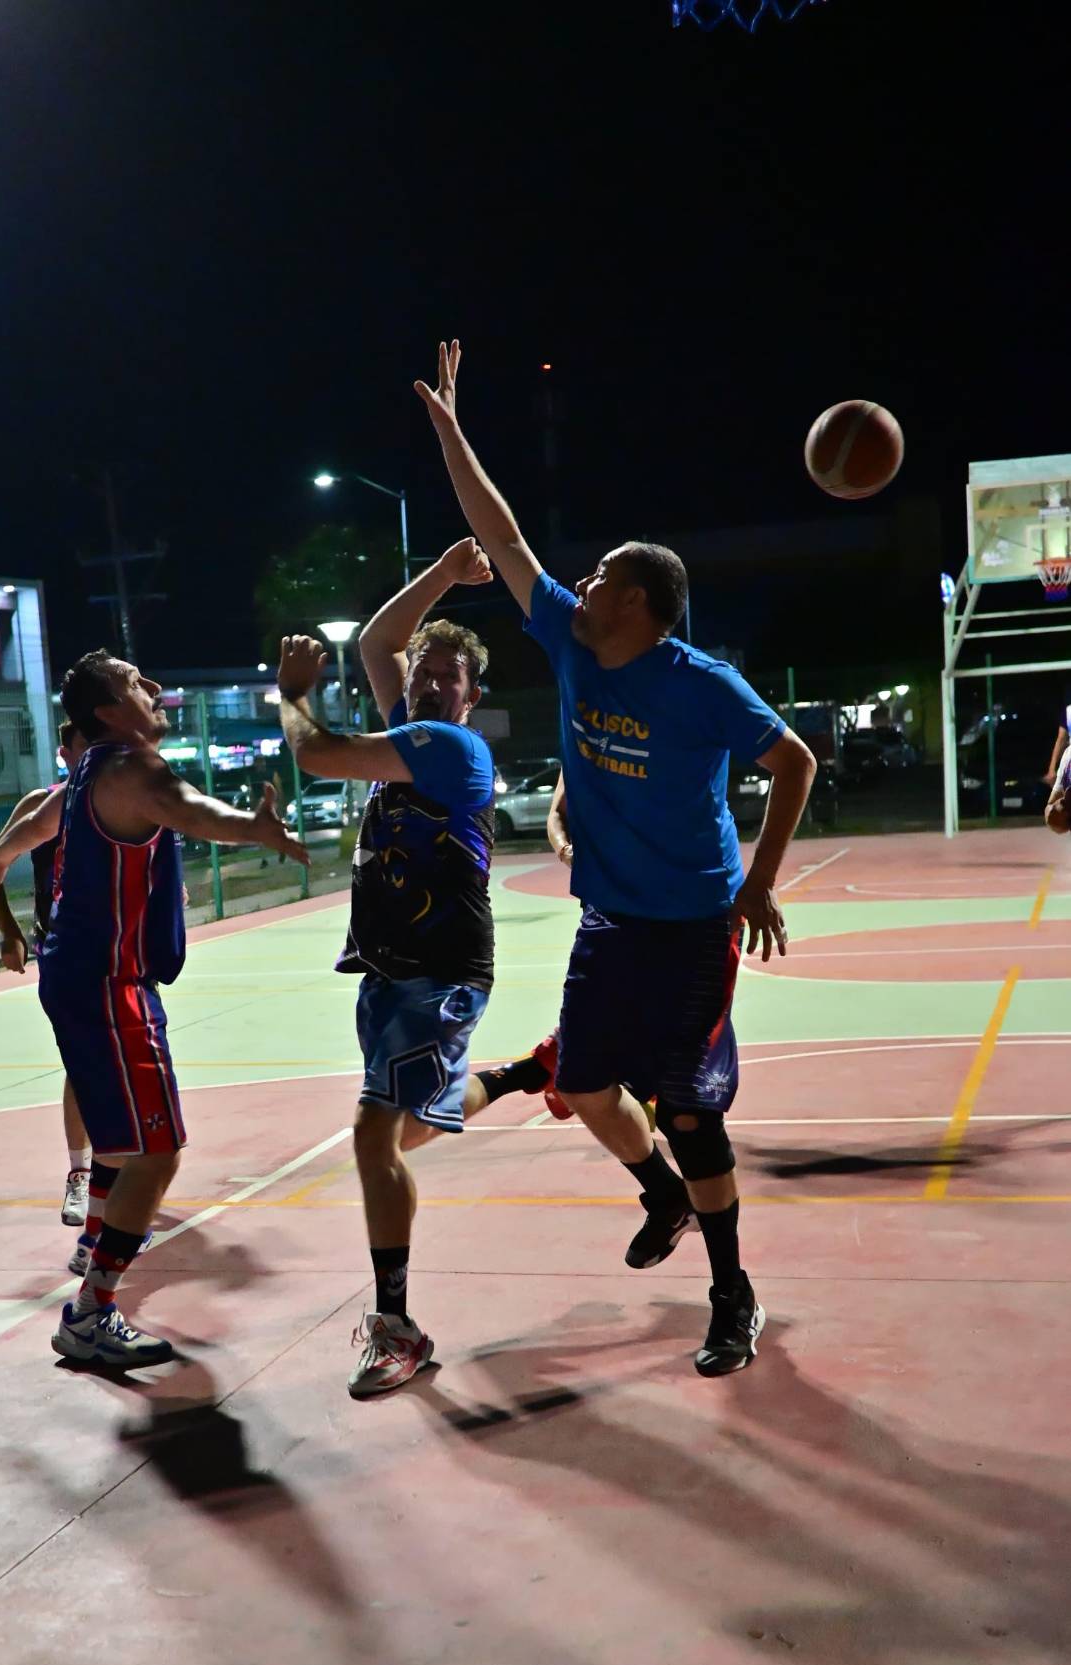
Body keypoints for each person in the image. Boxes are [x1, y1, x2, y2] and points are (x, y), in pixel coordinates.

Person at [417, 340, 816, 1376]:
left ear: (636, 602)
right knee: (588, 1089)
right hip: (610, 921)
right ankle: (663, 1194)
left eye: (599, 576)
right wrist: (452, 430)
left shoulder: (700, 683)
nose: (576, 581)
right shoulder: (567, 637)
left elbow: (795, 759)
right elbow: (500, 534)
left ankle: (732, 1295)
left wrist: (760, 881)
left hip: (692, 926)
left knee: (687, 1106)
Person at [0, 650, 307, 1369]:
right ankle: (91, 1310)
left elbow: (36, 824)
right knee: (159, 1151)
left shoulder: (88, 771)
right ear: (109, 713)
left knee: (123, 1142)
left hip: (81, 975)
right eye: (133, 682)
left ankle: (94, 1241)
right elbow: (196, 812)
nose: (152, 686)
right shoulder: (133, 768)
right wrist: (255, 827)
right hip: (106, 980)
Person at [277, 539, 561, 1399]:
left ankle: (396, 1327)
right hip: (389, 971)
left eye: (449, 679)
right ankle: (521, 1074)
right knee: (408, 1128)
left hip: (441, 971)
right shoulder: (408, 723)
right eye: (424, 673)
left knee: (373, 1135)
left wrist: (291, 694)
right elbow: (373, 646)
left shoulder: (449, 748)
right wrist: (441, 574)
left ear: (471, 701)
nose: (431, 685)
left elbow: (315, 753)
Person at [0, 721, 95, 1231]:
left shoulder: (127, 797)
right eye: (83, 748)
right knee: (81, 1062)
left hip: (122, 955)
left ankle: (122, 1174)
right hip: (65, 954)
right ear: (64, 751)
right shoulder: (43, 803)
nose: (92, 757)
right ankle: (81, 1173)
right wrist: (9, 933)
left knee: (124, 1063)